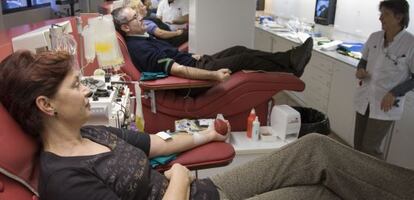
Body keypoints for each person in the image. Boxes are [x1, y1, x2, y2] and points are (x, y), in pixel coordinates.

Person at [1, 50, 414, 200]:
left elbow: (158, 144)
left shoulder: (92, 132)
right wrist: (179, 181)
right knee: (317, 191)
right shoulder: (65, 179)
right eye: (77, 86)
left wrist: (204, 134)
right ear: (46, 104)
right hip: (189, 193)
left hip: (207, 192)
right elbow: (172, 172)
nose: (88, 91)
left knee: (316, 151)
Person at [112, 7, 314, 83]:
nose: (141, 18)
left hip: (195, 62)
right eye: (135, 17)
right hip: (196, 73)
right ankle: (290, 62)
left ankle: (289, 62)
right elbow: (179, 70)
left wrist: (195, 56)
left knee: (238, 49)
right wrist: (213, 75)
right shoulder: (140, 48)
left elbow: (173, 57)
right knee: (243, 59)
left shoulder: (142, 39)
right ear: (126, 28)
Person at [353, 0, 414, 159]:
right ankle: (354, 179)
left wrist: (394, 92)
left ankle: (374, 181)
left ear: (399, 17)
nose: (380, 18)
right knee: (357, 144)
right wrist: (360, 69)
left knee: (370, 149)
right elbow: (364, 59)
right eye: (381, 13)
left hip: (384, 105)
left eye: (385, 14)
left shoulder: (410, 44)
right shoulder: (375, 37)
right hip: (364, 100)